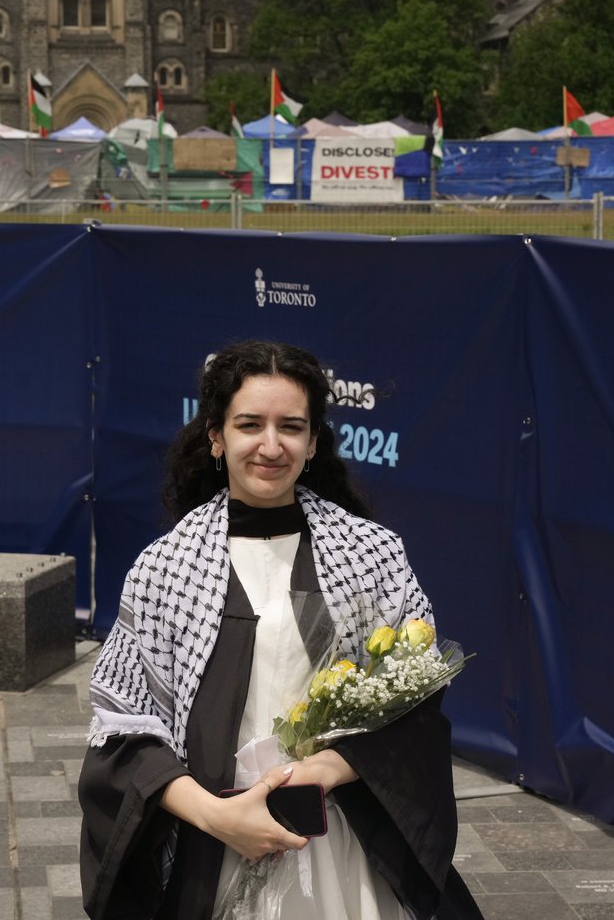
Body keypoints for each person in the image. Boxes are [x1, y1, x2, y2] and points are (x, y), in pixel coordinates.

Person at [79, 340, 483, 920]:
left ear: (314, 441)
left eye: (291, 426)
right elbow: (121, 727)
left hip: (342, 844)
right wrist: (218, 817)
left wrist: (328, 769)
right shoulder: (164, 569)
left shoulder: (371, 554)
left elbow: (416, 700)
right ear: (216, 436)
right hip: (214, 839)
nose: (271, 445)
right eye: (249, 424)